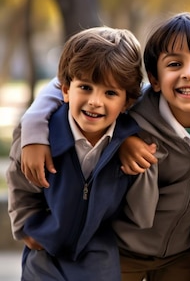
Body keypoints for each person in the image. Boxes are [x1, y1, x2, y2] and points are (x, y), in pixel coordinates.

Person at [18, 12, 190, 281]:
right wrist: (34, 130)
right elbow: (69, 83)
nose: (189, 74)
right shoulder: (133, 108)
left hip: (184, 253)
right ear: (154, 79)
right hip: (120, 251)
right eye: (175, 64)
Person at [6, 26, 144, 280]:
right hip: (44, 252)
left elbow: (138, 206)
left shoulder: (129, 142)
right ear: (66, 90)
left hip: (100, 255)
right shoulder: (40, 135)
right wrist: (25, 225)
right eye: (86, 87)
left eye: (110, 93)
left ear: (127, 102)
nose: (95, 101)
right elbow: (19, 183)